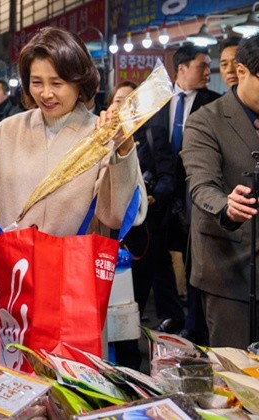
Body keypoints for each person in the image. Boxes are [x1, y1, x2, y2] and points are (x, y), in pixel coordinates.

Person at [0, 27, 147, 358]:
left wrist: (123, 148)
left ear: (80, 81)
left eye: (57, 83)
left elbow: (116, 215)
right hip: (14, 281)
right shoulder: (9, 130)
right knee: (13, 376)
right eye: (37, 82)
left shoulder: (103, 133)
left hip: (72, 282)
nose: (46, 93)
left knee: (70, 384)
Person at [181, 35, 259, 348]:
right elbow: (201, 184)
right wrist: (226, 206)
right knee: (236, 375)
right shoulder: (205, 121)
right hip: (230, 268)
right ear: (242, 72)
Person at [144, 45, 220, 341]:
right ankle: (170, 314)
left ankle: (194, 321)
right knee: (160, 255)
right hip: (161, 192)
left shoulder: (214, 103)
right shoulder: (158, 103)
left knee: (193, 257)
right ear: (182, 69)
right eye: (202, 65)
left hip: (194, 191)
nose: (207, 71)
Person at [109, 81, 180, 370]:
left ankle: (129, 364)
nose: (121, 105)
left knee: (131, 298)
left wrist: (151, 197)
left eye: (128, 100)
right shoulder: (103, 137)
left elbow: (168, 177)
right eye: (117, 100)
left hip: (142, 230)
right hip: (109, 230)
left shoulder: (153, 134)